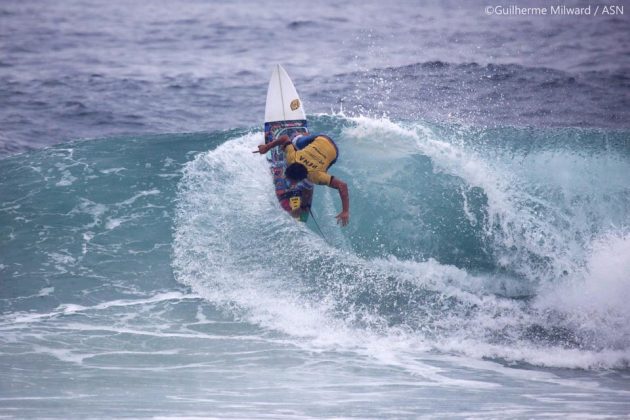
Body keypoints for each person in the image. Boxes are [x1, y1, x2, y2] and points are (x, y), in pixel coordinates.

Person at [255, 133, 350, 226]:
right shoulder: (292, 158)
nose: (290, 184)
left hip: (333, 150)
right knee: (295, 140)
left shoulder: (316, 176)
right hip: (320, 139)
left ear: (301, 178)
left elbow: (342, 186)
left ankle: (304, 206)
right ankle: (299, 135)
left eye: (292, 182)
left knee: (309, 183)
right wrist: (267, 147)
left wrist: (345, 211)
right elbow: (285, 138)